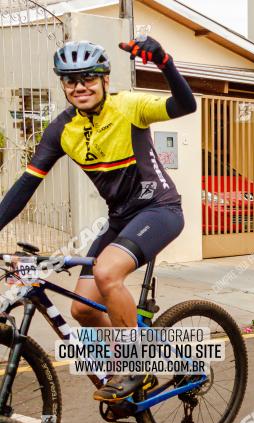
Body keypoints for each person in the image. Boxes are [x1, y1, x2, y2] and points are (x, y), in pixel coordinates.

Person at [0, 37, 196, 402]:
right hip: (120, 219)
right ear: (62, 85)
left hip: (159, 209)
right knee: (83, 308)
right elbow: (25, 185)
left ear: (105, 80)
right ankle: (133, 347)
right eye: (71, 80)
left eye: (89, 77)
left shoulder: (130, 106)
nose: (80, 86)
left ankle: (136, 367)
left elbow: (185, 104)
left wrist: (165, 61)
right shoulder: (61, 130)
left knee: (107, 273)